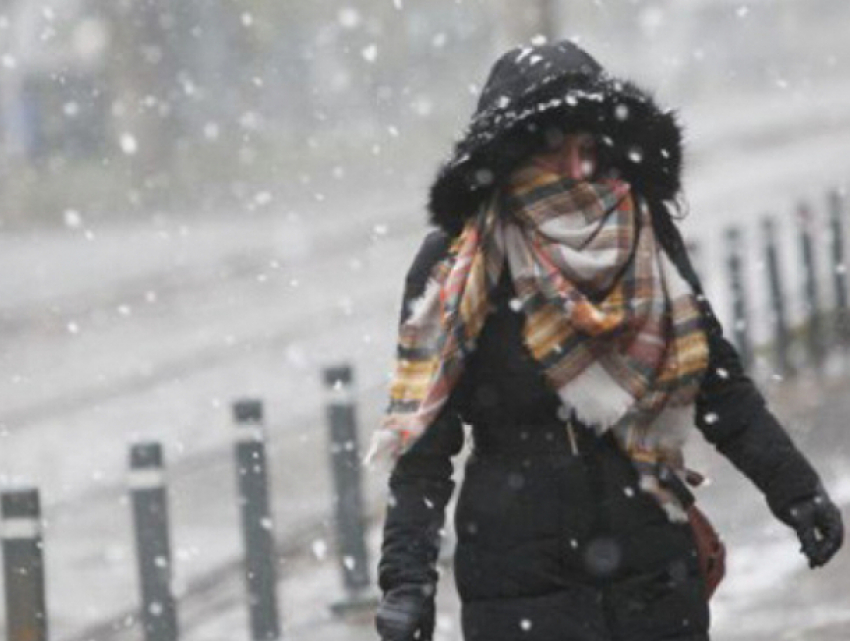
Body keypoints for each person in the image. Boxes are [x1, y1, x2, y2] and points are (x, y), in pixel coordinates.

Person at [368, 41, 844, 641]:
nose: (574, 167)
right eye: (551, 146)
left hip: (651, 567)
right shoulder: (459, 262)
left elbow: (715, 381)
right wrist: (407, 582)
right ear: (509, 153)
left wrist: (795, 491)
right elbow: (425, 447)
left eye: (588, 148)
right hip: (518, 578)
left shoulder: (643, 232)